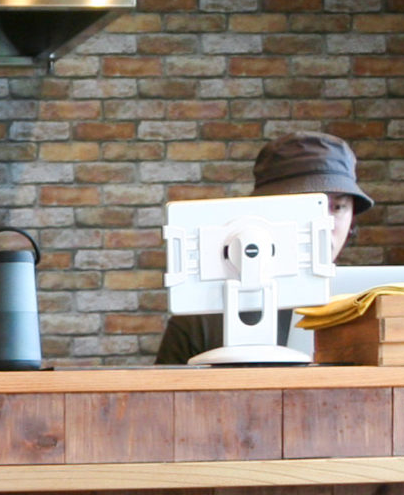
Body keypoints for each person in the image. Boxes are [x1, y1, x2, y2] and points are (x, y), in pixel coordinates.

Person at [152, 130, 375, 364]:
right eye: (307, 206)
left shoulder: (373, 310)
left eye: (338, 207)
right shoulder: (201, 317)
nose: (324, 223)